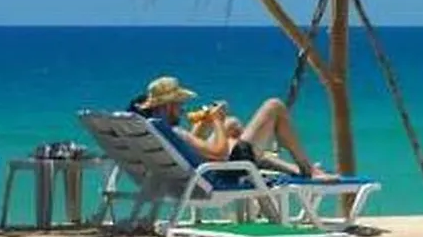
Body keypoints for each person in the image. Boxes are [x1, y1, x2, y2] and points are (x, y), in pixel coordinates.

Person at [135, 75, 337, 181]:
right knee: (274, 106)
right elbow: (219, 152)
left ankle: (289, 167)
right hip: (222, 173)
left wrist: (203, 125)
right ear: (168, 106)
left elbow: (190, 150)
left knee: (231, 124)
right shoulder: (174, 131)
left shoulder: (158, 129)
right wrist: (216, 121)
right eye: (179, 104)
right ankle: (308, 169)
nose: (182, 109)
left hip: (199, 171)